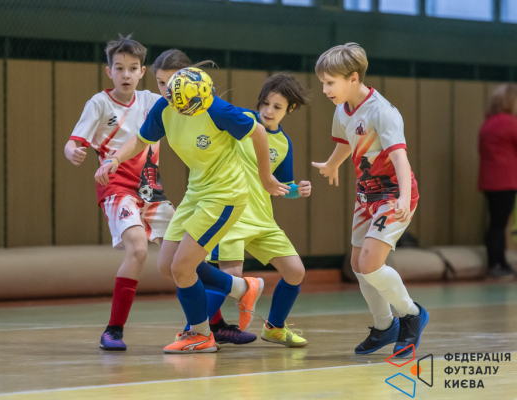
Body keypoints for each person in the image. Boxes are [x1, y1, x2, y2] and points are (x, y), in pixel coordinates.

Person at [95, 50, 290, 354]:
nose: (168, 91)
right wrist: (114, 159)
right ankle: (241, 287)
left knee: (183, 267)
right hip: (196, 192)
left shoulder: (216, 109)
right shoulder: (164, 108)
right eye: (162, 84)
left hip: (225, 195)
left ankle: (201, 334)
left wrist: (266, 179)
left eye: (171, 83)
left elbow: (259, 132)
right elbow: (141, 139)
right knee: (167, 266)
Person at [311, 43, 428, 358]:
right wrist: (332, 164)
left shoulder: (382, 111)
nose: (325, 89)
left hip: (393, 195)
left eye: (329, 83)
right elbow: (345, 142)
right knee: (357, 265)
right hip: (366, 197)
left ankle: (412, 314)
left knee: (370, 264)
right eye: (322, 83)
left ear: (352, 78)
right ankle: (384, 325)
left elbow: (400, 158)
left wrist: (404, 198)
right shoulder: (342, 108)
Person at [64, 34, 174, 351]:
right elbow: (74, 142)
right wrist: (72, 152)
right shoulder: (99, 103)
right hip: (117, 188)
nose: (126, 74)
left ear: (142, 72)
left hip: (151, 189)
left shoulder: (153, 101)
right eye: (120, 68)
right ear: (109, 71)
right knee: (137, 249)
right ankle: (113, 330)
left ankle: (213, 325)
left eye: (133, 68)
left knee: (185, 254)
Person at [205, 73, 312, 348]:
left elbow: (282, 187)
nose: (268, 110)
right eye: (265, 103)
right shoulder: (241, 120)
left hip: (263, 220)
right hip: (231, 216)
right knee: (230, 281)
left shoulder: (284, 143)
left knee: (295, 271)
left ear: (290, 109)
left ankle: (274, 328)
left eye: (277, 106)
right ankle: (193, 331)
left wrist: (297, 190)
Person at [478, 83, 517, 280]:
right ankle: (497, 263)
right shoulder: (511, 123)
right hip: (506, 181)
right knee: (499, 225)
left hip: (489, 181)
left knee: (496, 223)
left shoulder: (488, 124)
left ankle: (499, 262)